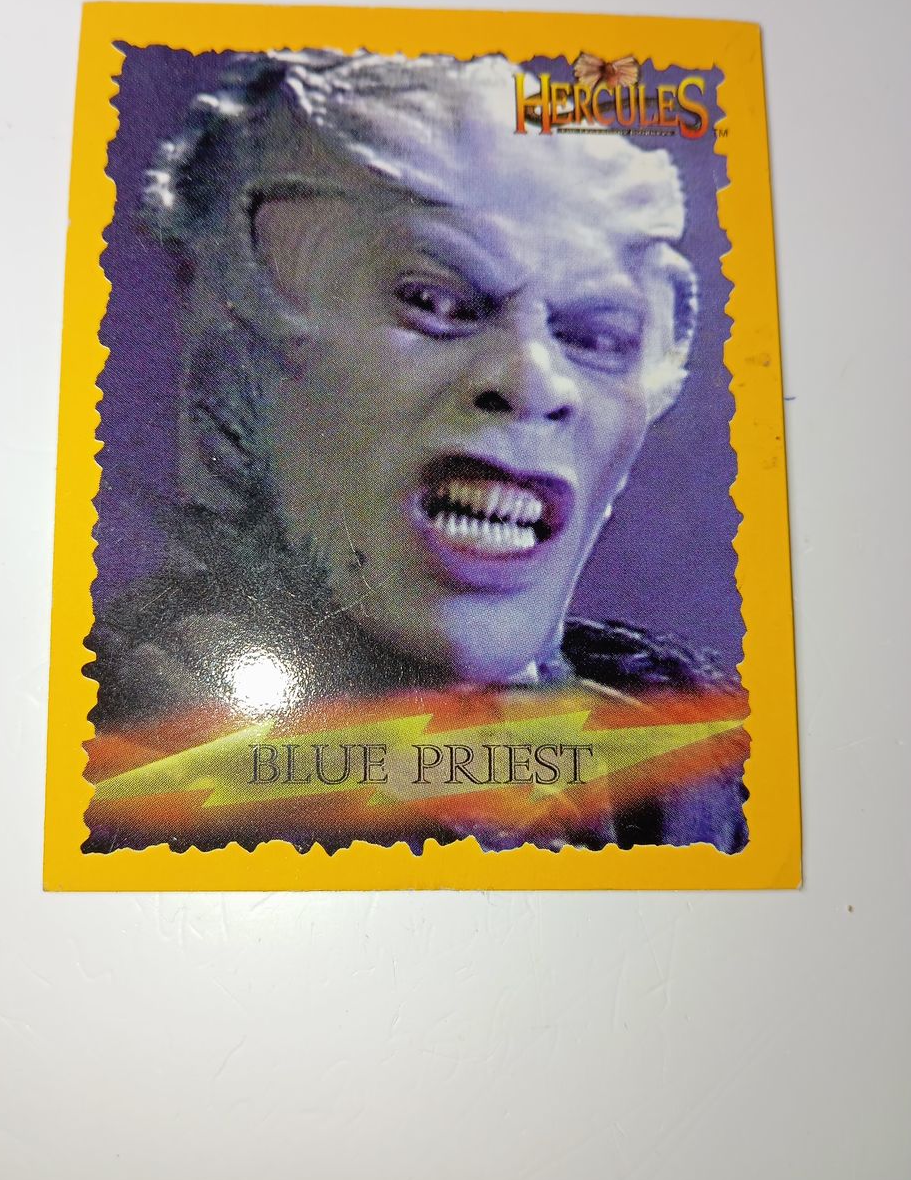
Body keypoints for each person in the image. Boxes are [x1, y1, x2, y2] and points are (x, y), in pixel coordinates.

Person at [86, 49, 746, 852]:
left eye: (596, 336)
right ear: (242, 331)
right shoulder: (99, 756)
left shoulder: (705, 777)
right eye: (434, 301)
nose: (535, 382)